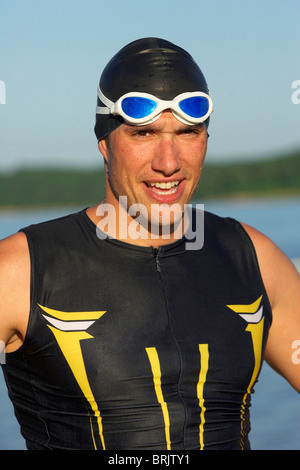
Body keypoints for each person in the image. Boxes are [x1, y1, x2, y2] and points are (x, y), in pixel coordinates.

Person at [0, 37, 299, 451]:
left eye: (188, 133)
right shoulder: (21, 269)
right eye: (144, 134)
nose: (169, 162)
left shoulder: (252, 257)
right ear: (105, 143)